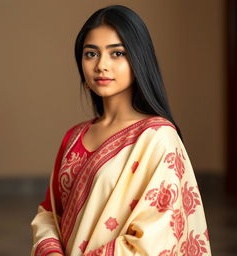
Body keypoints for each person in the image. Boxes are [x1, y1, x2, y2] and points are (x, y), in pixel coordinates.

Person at [31, 5, 211, 256]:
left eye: (117, 53)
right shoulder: (73, 138)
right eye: (91, 54)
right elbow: (50, 213)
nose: (101, 65)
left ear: (138, 59)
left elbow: (159, 235)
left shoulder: (158, 139)